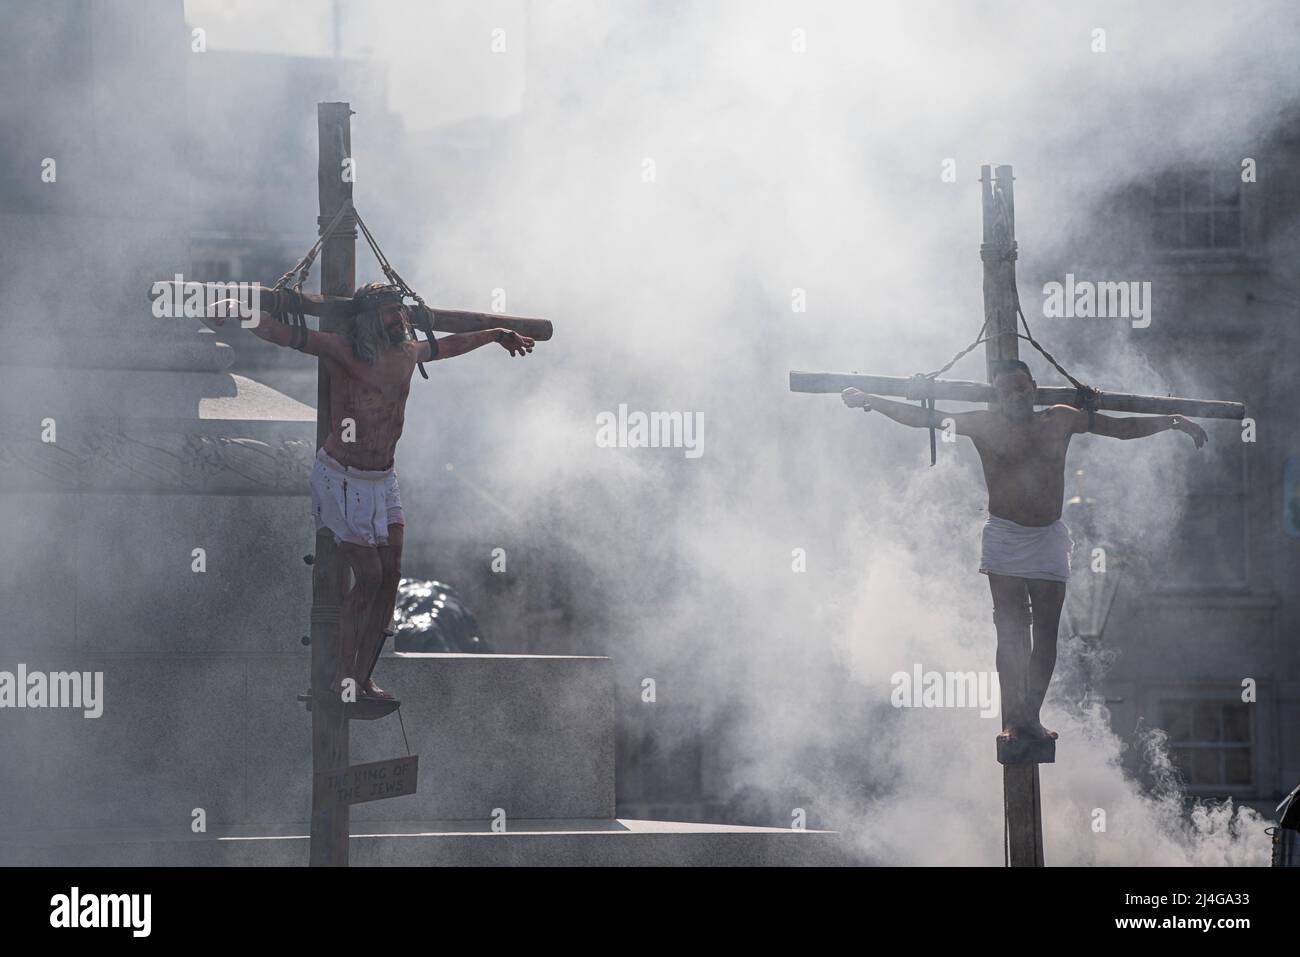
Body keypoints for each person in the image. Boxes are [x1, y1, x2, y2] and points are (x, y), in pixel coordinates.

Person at [841, 359, 1208, 741]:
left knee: (1046, 634)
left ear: (1033, 387)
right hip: (1004, 537)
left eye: (1021, 388)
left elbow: (1119, 428)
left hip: (1047, 537)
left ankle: (1030, 715)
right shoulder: (984, 425)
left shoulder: (1060, 419)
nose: (1015, 397)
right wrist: (872, 400)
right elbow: (924, 419)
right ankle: (1013, 719)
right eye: (1005, 391)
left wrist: (1173, 421)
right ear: (997, 396)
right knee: (1012, 632)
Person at [210, 282, 535, 700]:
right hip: (342, 477)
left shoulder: (407, 352)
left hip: (383, 479)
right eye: (389, 313)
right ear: (368, 321)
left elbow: (453, 345)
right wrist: (238, 308)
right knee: (369, 575)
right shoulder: (344, 349)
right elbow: (285, 334)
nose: (399, 320)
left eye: (401, 312)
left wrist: (495, 336)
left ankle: (361, 677)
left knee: (392, 576)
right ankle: (338, 677)